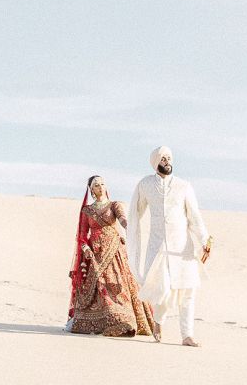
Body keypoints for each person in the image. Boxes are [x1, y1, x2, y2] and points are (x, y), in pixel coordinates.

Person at [130, 146, 212, 346]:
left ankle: (187, 336)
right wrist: (128, 230)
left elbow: (194, 216)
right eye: (163, 158)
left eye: (169, 157)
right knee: (162, 289)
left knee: (187, 291)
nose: (167, 161)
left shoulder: (184, 186)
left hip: (182, 249)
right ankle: (158, 321)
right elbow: (135, 213)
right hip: (158, 248)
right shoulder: (145, 185)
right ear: (155, 162)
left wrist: (204, 239)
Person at [65, 175, 156, 337]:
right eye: (96, 185)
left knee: (119, 285)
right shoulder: (87, 210)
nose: (100, 187)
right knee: (100, 287)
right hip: (96, 254)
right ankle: (105, 320)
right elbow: (82, 234)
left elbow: (122, 219)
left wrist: (130, 227)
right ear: (91, 190)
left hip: (115, 251)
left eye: (102, 184)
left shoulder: (114, 205)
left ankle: (124, 319)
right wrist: (86, 248)